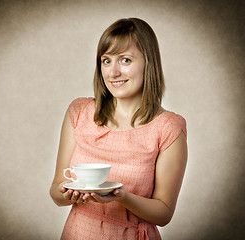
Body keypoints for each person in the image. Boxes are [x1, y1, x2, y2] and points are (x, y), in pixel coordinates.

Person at [50, 18, 187, 240]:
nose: (113, 73)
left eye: (125, 60)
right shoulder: (79, 111)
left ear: (148, 63)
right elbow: (56, 192)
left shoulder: (168, 127)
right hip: (77, 233)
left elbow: (163, 213)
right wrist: (70, 194)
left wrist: (121, 196)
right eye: (106, 61)